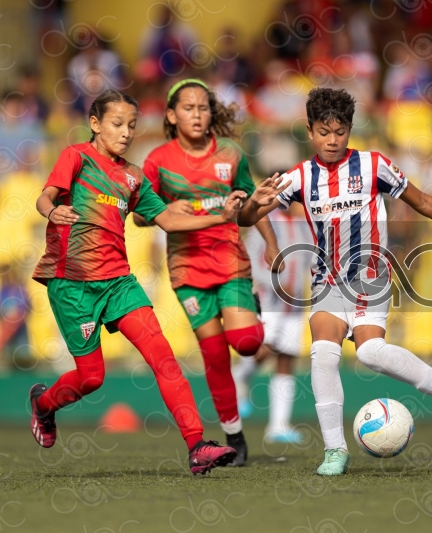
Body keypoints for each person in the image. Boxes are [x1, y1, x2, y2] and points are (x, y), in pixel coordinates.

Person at [238, 88, 432, 476]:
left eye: (340, 131)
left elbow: (423, 201)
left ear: (350, 130)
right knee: (323, 353)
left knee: (369, 353)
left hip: (370, 277)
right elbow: (246, 218)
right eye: (323, 132)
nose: (332, 140)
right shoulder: (299, 177)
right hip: (327, 281)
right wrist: (252, 203)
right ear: (310, 132)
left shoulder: (372, 166)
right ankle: (335, 450)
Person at [29, 89, 244, 475]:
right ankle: (44, 406)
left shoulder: (132, 177)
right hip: (73, 283)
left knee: (164, 358)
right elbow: (45, 198)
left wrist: (221, 217)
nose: (126, 132)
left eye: (131, 125)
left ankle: (197, 446)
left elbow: (170, 220)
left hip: (119, 283)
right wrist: (53, 210)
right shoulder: (76, 157)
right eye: (117, 124)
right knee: (92, 378)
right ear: (95, 124)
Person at [136, 79, 282, 466]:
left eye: (203, 108)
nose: (197, 115)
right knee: (214, 355)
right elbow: (137, 215)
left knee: (248, 342)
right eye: (188, 108)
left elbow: (252, 204)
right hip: (187, 270)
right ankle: (235, 437)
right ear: (171, 115)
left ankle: (252, 310)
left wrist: (271, 242)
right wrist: (164, 212)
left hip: (231, 263)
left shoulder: (232, 154)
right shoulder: (158, 161)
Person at [233, 203, 312, 444]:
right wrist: (276, 283)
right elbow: (250, 263)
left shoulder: (304, 226)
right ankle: (239, 376)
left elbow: (309, 260)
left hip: (295, 304)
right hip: (269, 301)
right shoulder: (264, 224)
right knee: (262, 350)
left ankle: (278, 426)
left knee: (287, 357)